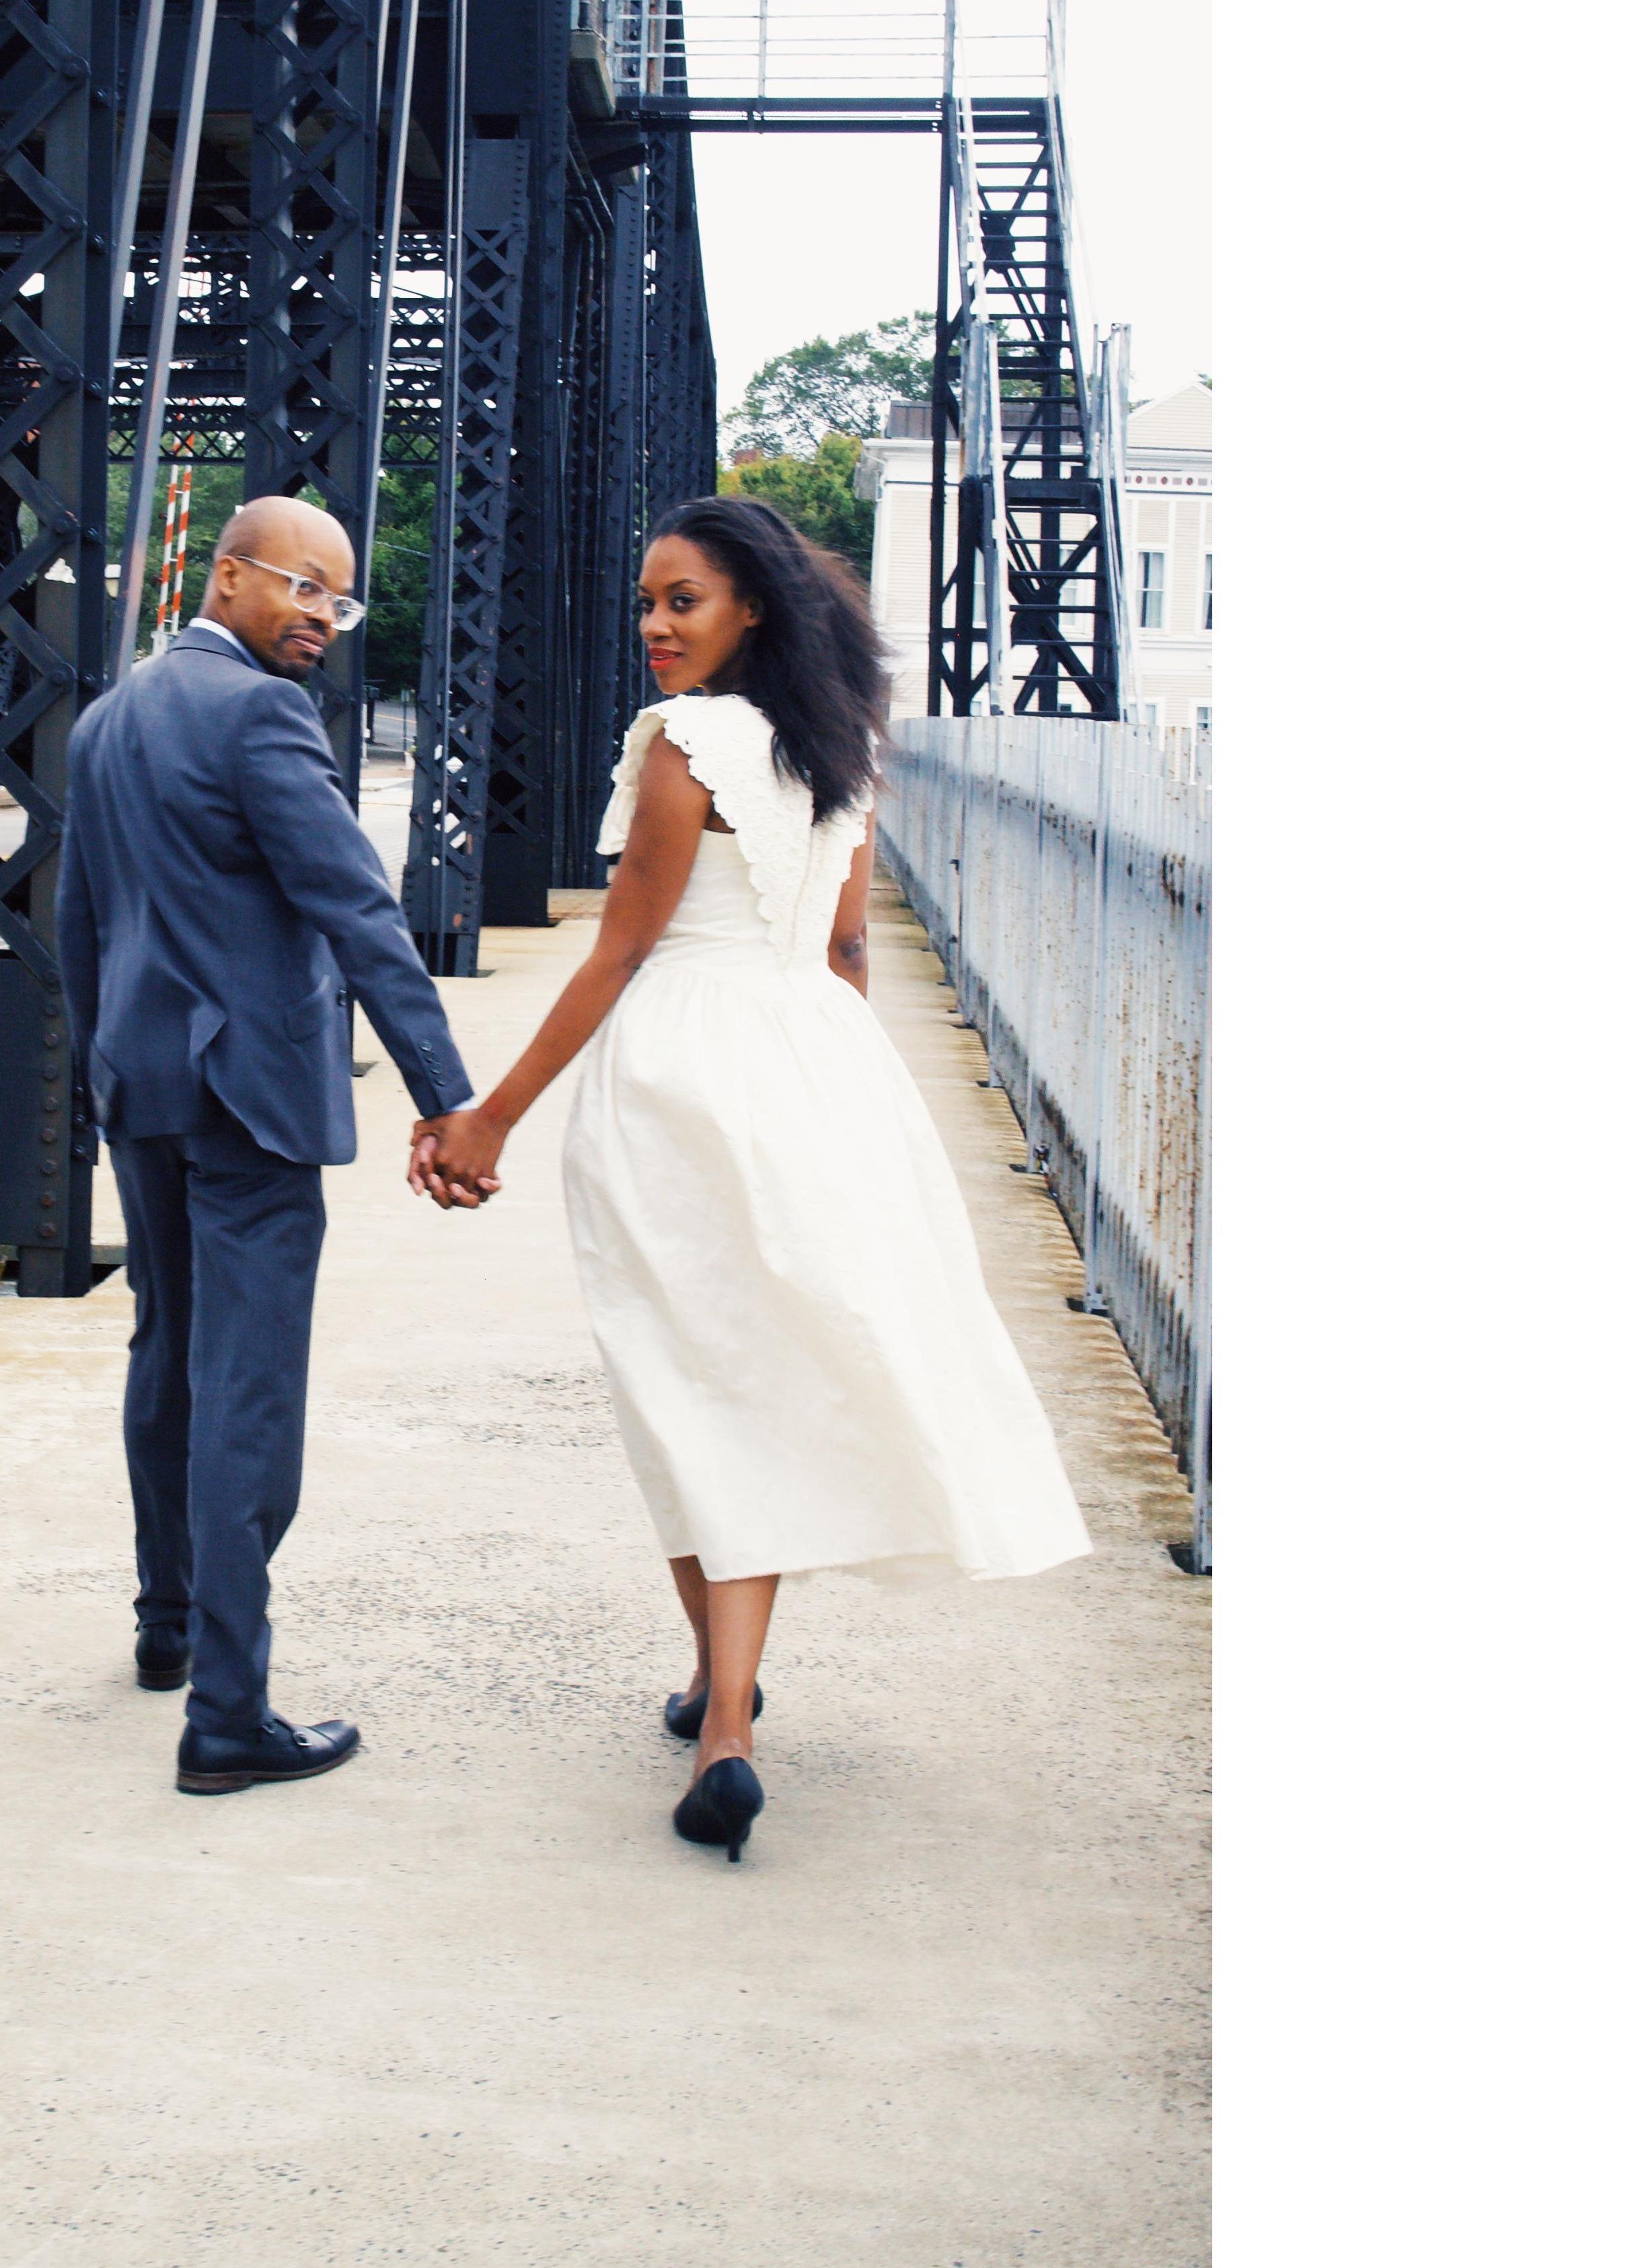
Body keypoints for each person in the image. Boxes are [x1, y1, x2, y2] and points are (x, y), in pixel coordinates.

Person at [409, 496, 1090, 1864]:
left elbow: (616, 957)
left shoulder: (684, 747)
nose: (655, 627)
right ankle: (721, 1699)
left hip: (682, 1075)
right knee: (758, 1379)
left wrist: (488, 1120)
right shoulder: (840, 750)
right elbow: (844, 953)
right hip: (820, 1068)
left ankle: (728, 1722)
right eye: (649, 603)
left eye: (683, 602)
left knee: (682, 1381)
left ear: (751, 609)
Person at [63, 495, 503, 1796]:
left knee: (169, 1356)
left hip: (144, 1083)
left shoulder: (108, 717)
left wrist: (105, 1072)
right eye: (302, 587)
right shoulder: (260, 713)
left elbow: (85, 926)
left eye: (340, 598)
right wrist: (449, 1096)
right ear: (230, 574)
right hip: (249, 1098)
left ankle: (168, 1626)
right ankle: (229, 1713)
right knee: (246, 1387)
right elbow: (361, 914)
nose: (321, 616)